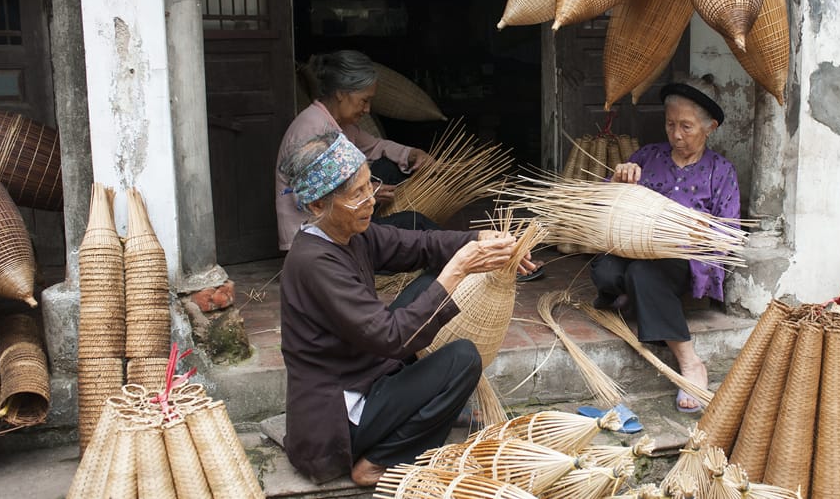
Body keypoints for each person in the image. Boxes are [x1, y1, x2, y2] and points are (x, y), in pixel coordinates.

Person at [278, 131, 533, 485]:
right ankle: (379, 461)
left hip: (365, 372)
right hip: (339, 419)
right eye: (357, 195)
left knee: (430, 284)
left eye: (370, 186)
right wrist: (459, 268)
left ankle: (411, 412)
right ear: (319, 206)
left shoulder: (349, 233)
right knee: (463, 359)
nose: (370, 200)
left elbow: (418, 245)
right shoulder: (314, 262)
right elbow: (391, 337)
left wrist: (478, 240)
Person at [590, 80, 740, 413]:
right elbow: (604, 203)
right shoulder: (647, 157)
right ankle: (640, 298)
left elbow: (728, 235)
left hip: (682, 261)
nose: (676, 135)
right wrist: (617, 180)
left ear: (709, 127)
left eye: (686, 126)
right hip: (635, 251)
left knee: (643, 274)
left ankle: (690, 364)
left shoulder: (721, 172)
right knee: (605, 270)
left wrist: (698, 231)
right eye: (670, 124)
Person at [275, 50, 436, 251]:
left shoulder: (340, 124)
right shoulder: (312, 132)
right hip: (317, 239)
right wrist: (367, 196)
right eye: (364, 100)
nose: (368, 109)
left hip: (338, 221)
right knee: (414, 223)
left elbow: (377, 146)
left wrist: (411, 154)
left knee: (389, 168)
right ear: (342, 93)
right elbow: (313, 199)